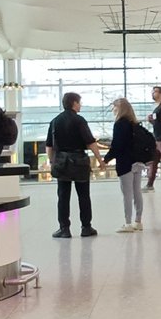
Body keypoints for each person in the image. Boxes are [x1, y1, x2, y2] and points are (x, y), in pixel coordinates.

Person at [46, 91, 102, 238]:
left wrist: (52, 161)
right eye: (79, 102)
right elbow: (90, 142)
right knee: (83, 195)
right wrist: (100, 160)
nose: (80, 105)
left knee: (63, 196)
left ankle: (64, 228)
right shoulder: (79, 121)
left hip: (62, 162)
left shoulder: (55, 121)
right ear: (74, 103)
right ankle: (86, 227)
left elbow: (49, 146)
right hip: (79, 162)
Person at [101, 97, 146, 232]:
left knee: (127, 193)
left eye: (114, 107)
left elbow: (117, 146)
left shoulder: (120, 124)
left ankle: (127, 223)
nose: (113, 110)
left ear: (119, 108)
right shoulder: (135, 124)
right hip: (138, 162)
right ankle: (138, 221)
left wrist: (105, 160)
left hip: (125, 163)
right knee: (137, 192)